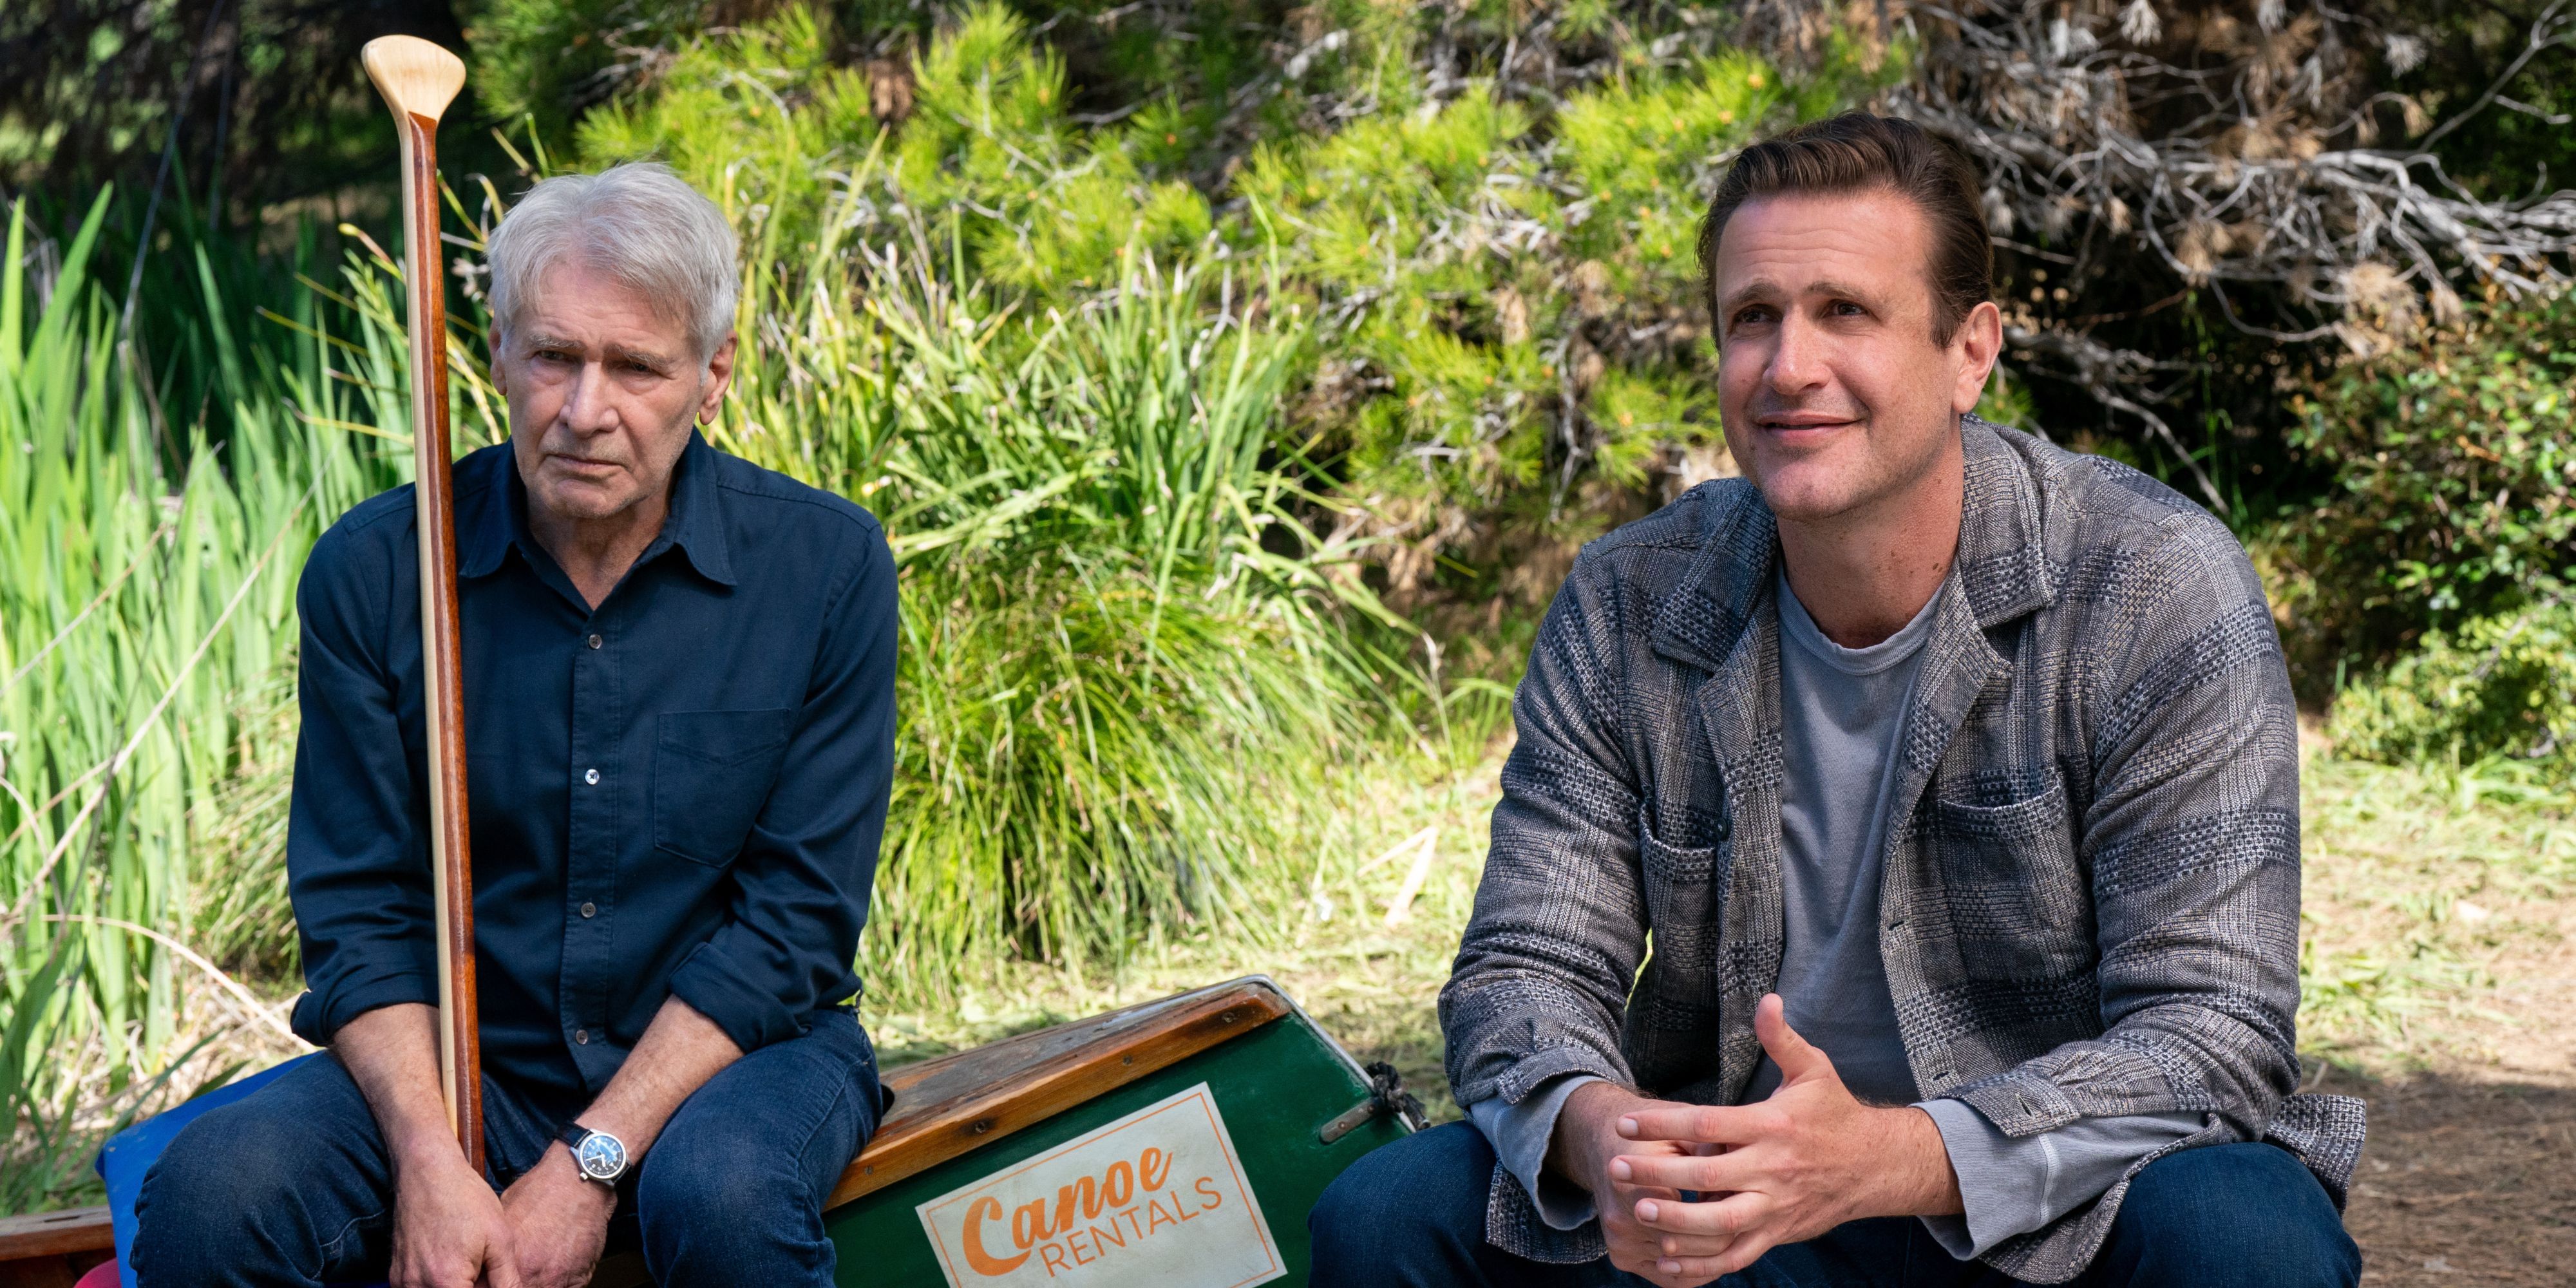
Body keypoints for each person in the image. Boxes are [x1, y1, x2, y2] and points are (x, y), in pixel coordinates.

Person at [1309, 114, 2365, 1287]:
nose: (1789, 366)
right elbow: (1525, 966)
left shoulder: (2151, 583)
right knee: (1390, 1212)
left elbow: (2212, 1039)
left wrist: (1890, 1159)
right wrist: (1598, 1130)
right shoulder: (1628, 601)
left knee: (2247, 1236)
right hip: (1735, 1200)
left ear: (1971, 353)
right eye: (1753, 317)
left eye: (1844, 312)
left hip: (2055, 1210)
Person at [131, 163, 898, 1288]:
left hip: (737, 1059)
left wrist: (589, 1163)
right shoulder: (380, 571)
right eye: (554, 357)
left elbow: (794, 928)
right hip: (461, 1069)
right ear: (497, 353)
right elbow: (360, 913)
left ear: (714, 374)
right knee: (214, 1196)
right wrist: (432, 1158)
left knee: (722, 1199)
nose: (586, 411)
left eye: (636, 367)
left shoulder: (824, 569)